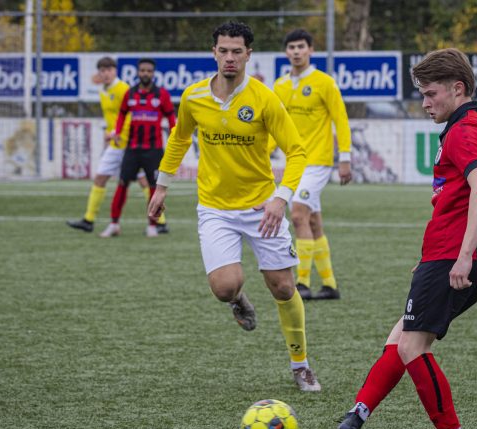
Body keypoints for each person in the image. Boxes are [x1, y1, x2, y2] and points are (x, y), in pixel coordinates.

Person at [332, 48, 477, 429]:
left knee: (412, 345)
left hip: (458, 256)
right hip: (453, 254)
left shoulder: (465, 131)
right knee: (401, 338)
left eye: (431, 94)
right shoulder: (475, 128)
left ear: (458, 88)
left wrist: (463, 255)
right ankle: (355, 416)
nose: (425, 103)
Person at [147, 21, 321, 392]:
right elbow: (178, 140)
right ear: (214, 53)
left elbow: (297, 152)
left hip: (262, 207)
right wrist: (161, 187)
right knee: (224, 287)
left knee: (282, 288)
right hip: (214, 207)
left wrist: (280, 198)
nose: (229, 57)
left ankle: (301, 365)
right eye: (223, 51)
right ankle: (239, 299)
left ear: (248, 55)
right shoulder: (193, 97)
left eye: (236, 51)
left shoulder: (263, 98)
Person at [273, 29, 352, 300]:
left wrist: (345, 158)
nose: (296, 51)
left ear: (311, 50)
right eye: (291, 47)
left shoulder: (324, 82)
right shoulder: (280, 85)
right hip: (294, 162)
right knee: (313, 222)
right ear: (286, 52)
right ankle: (329, 285)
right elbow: (274, 125)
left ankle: (303, 283)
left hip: (317, 162)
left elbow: (340, 120)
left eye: (301, 47)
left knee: (296, 215)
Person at [66, 57, 164, 233]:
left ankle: (159, 222)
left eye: (108, 70)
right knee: (107, 179)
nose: (105, 74)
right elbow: (116, 118)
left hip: (129, 144)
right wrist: (112, 133)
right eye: (102, 71)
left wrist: (117, 134)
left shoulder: (123, 89)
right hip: (118, 144)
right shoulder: (104, 91)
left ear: (115, 71)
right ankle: (89, 220)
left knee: (144, 182)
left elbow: (130, 116)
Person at [99, 58, 176, 238]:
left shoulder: (161, 95)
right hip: (132, 148)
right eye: (142, 70)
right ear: (137, 72)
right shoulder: (130, 94)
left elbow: (171, 116)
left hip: (154, 149)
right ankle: (114, 224)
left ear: (153, 73)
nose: (145, 74)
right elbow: (122, 113)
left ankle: (152, 226)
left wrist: (175, 133)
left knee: (153, 188)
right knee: (122, 185)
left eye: (149, 71)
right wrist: (117, 131)